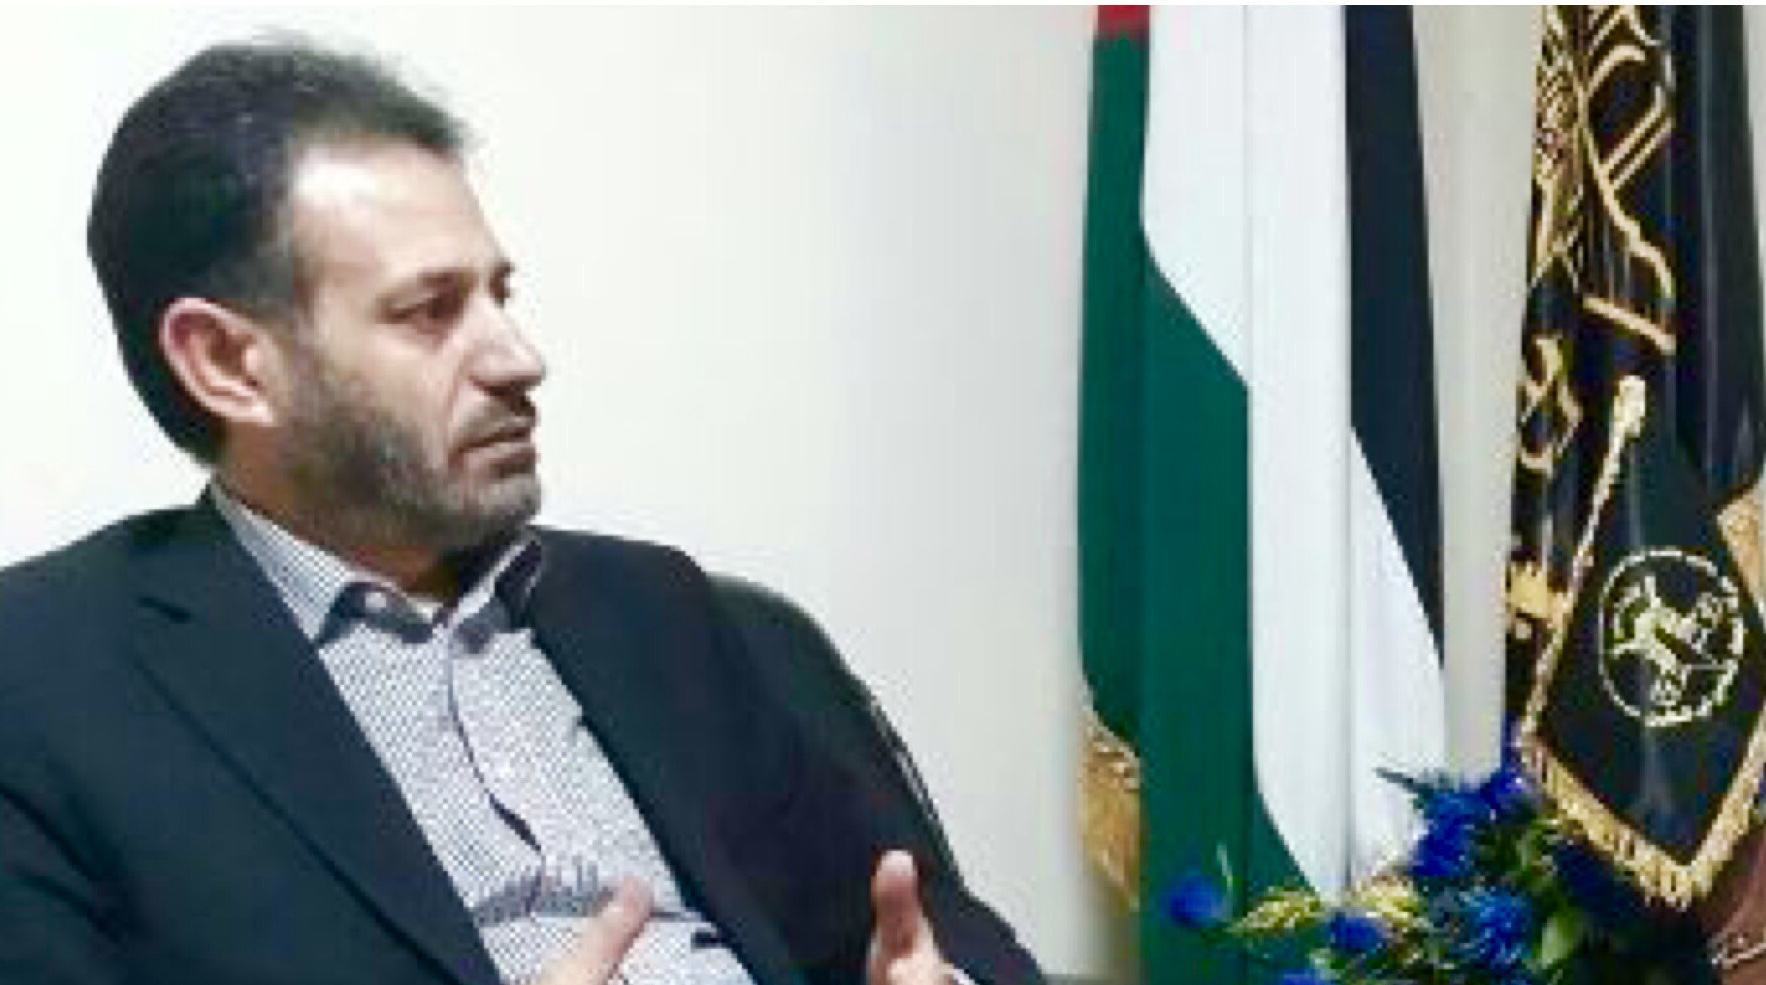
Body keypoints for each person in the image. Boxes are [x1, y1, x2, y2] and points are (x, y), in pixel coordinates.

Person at [0, 36, 1041, 985]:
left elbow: (915, 912)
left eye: (501, 295)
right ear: (229, 362)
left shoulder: (654, 606)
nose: (517, 357)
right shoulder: (46, 684)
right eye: (430, 311)